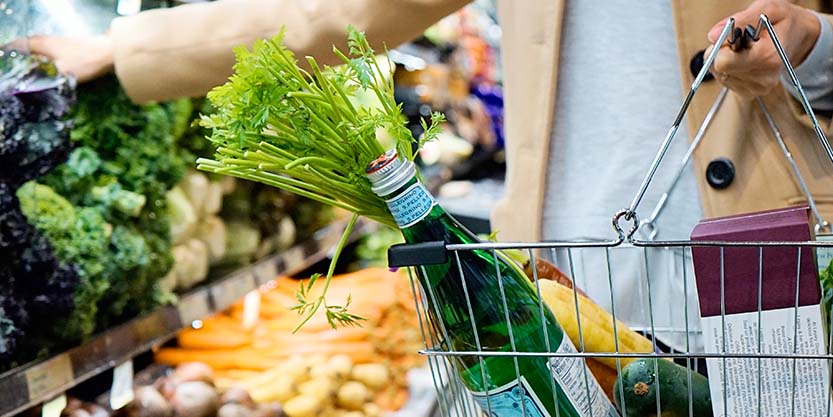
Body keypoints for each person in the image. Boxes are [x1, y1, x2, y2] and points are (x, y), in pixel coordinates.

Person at [19, 0, 833, 351]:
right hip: (568, 280)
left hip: (779, 275)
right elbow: (329, 15)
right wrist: (130, 49)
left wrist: (815, 45)